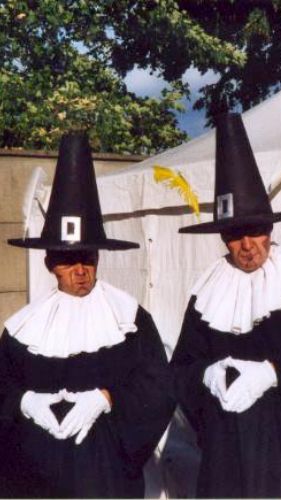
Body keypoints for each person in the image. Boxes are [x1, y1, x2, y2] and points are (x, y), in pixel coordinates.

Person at [170, 113, 281, 498]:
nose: (247, 246)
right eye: (235, 235)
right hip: (225, 458)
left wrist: (275, 373)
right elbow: (181, 370)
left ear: (270, 229)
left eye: (255, 232)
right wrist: (206, 374)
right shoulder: (208, 293)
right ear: (223, 237)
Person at [1, 132, 175, 498]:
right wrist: (24, 402)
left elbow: (159, 388)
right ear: (51, 264)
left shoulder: (129, 320)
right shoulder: (22, 329)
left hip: (106, 474)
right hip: (38, 478)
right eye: (68, 260)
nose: (80, 270)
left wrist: (108, 398)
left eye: (88, 258)